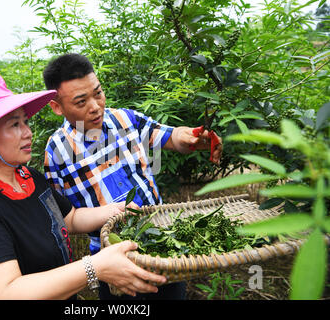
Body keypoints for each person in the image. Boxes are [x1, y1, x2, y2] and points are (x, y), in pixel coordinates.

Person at [0, 74, 167, 300]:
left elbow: (69, 219)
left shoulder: (28, 177)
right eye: (14, 124)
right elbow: (6, 292)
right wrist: (94, 267)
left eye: (25, 122)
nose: (28, 132)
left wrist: (118, 209)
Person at [42, 53, 223, 300]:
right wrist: (114, 212)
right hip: (114, 265)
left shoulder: (125, 119)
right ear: (57, 107)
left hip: (165, 248)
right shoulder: (57, 152)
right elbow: (66, 219)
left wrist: (191, 138)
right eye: (81, 102)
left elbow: (169, 136)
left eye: (98, 93)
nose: (95, 106)